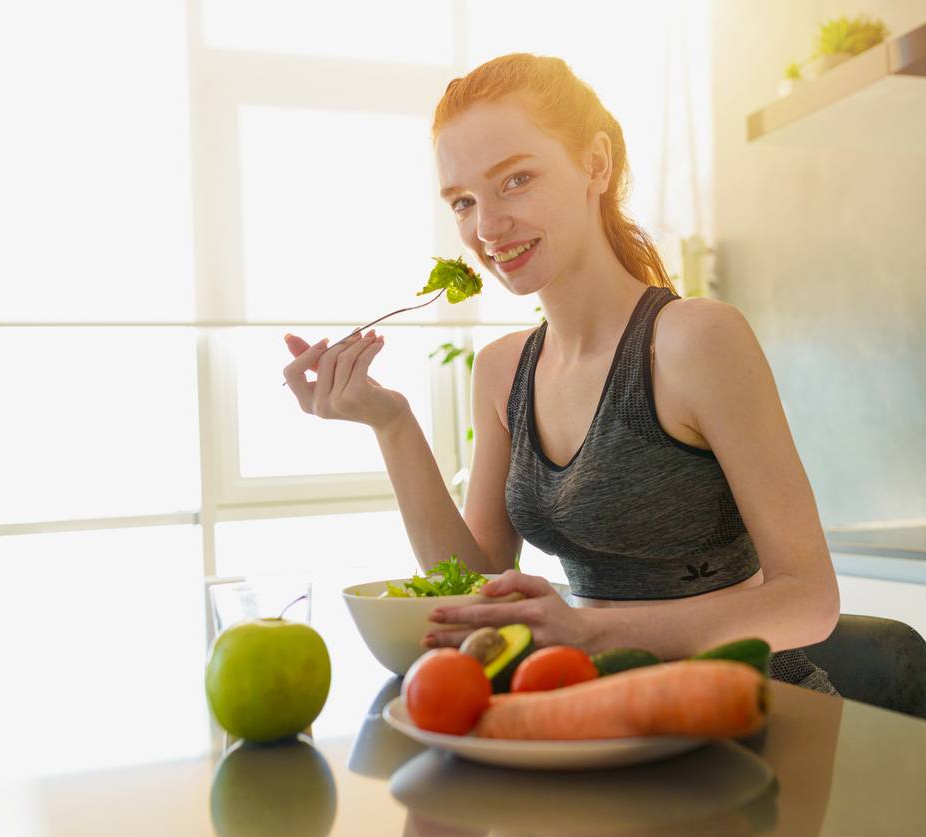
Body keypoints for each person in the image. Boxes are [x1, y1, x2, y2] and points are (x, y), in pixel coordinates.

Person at [282, 53, 840, 695]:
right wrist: (392, 424)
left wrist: (587, 631)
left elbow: (810, 601)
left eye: (516, 180)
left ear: (594, 165)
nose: (487, 227)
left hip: (750, 705)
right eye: (463, 201)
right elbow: (477, 584)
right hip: (597, 703)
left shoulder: (696, 341)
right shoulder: (501, 371)